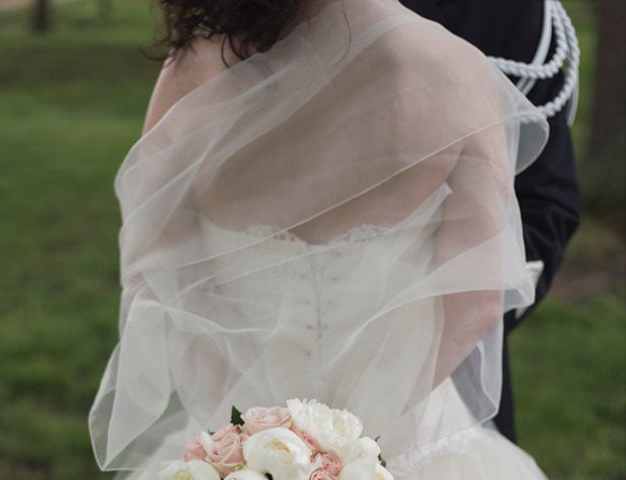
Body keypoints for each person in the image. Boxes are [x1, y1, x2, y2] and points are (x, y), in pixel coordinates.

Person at [89, 0, 560, 478]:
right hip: (414, 437)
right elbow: (477, 296)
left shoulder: (189, 70)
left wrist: (243, 431)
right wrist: (353, 447)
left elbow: (152, 267)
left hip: (243, 445)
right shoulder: (452, 66)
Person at [400, 0, 582, 443]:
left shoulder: (511, 13)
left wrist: (454, 324)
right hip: (249, 347)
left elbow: (544, 203)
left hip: (443, 368)